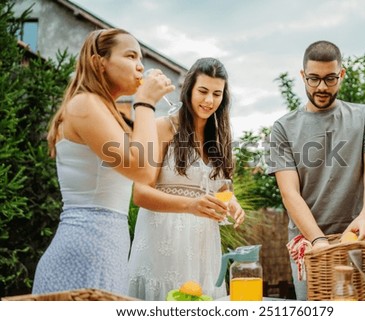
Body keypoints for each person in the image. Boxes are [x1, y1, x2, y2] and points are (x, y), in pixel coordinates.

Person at [32, 28, 175, 296]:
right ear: (100, 62)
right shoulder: (85, 104)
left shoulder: (104, 110)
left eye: (141, 58)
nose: (140, 65)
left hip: (106, 245)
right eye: (131, 55)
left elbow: (147, 168)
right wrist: (144, 104)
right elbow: (142, 170)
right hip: (86, 249)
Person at [268, 40, 365, 300]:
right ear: (302, 76)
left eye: (330, 78)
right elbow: (289, 194)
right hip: (309, 243)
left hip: (363, 237)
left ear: (342, 74)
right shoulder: (283, 128)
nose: (322, 87)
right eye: (313, 79)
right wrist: (318, 241)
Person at [127, 57, 245, 300]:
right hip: (163, 243)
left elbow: (219, 186)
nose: (209, 100)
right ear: (188, 89)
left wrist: (230, 201)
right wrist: (191, 205)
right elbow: (140, 193)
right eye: (202, 91)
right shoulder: (162, 128)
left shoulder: (219, 138)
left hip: (203, 246)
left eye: (217, 93)